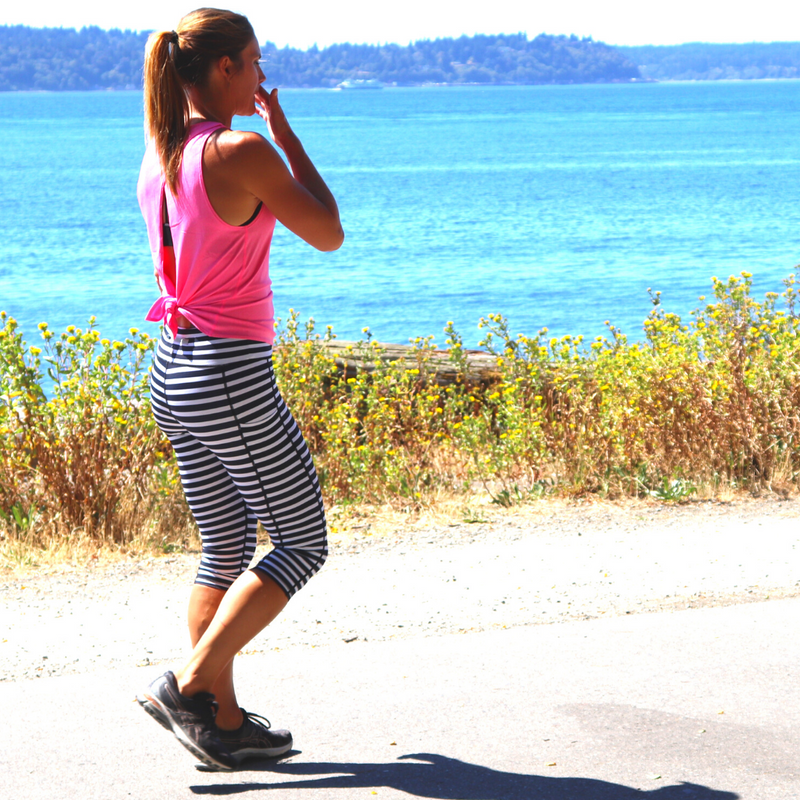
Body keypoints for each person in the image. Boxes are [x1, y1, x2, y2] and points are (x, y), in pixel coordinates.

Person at [135, 8, 344, 771]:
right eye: (255, 62)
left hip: (173, 368)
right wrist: (287, 140)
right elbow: (327, 231)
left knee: (223, 549)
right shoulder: (240, 150)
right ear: (224, 70)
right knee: (301, 542)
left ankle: (221, 725)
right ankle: (188, 687)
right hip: (228, 371)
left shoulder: (159, 157)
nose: (262, 76)